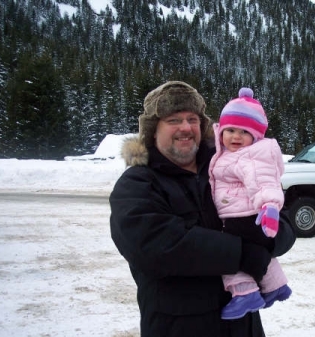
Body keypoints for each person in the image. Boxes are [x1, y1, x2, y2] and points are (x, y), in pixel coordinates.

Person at [109, 81, 296, 337]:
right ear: (153, 131)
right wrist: (244, 255)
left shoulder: (228, 165)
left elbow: (283, 223)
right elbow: (154, 246)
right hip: (179, 328)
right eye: (174, 120)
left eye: (192, 119)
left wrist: (268, 241)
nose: (185, 127)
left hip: (243, 328)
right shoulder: (138, 183)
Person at [209, 88, 292, 320]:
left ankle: (245, 293)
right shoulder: (228, 154)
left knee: (226, 254)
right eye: (230, 130)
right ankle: (276, 286)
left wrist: (270, 207)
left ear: (255, 136)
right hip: (239, 213)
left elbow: (263, 181)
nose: (236, 137)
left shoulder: (250, 156)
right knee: (254, 252)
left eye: (244, 132)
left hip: (243, 216)